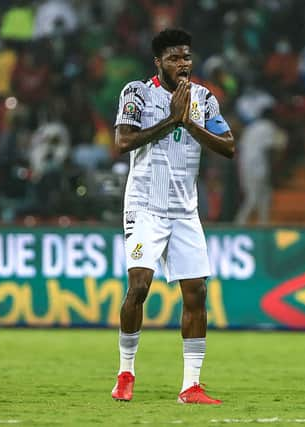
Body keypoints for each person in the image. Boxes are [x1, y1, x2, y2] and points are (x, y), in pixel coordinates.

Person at [111, 28, 234, 404]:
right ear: (158, 62)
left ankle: (190, 386)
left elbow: (228, 147)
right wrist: (170, 120)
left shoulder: (204, 99)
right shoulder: (137, 93)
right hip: (145, 206)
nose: (183, 65)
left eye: (186, 57)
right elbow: (123, 141)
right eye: (174, 58)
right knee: (139, 286)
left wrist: (188, 123)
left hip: (184, 211)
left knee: (196, 293)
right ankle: (126, 372)